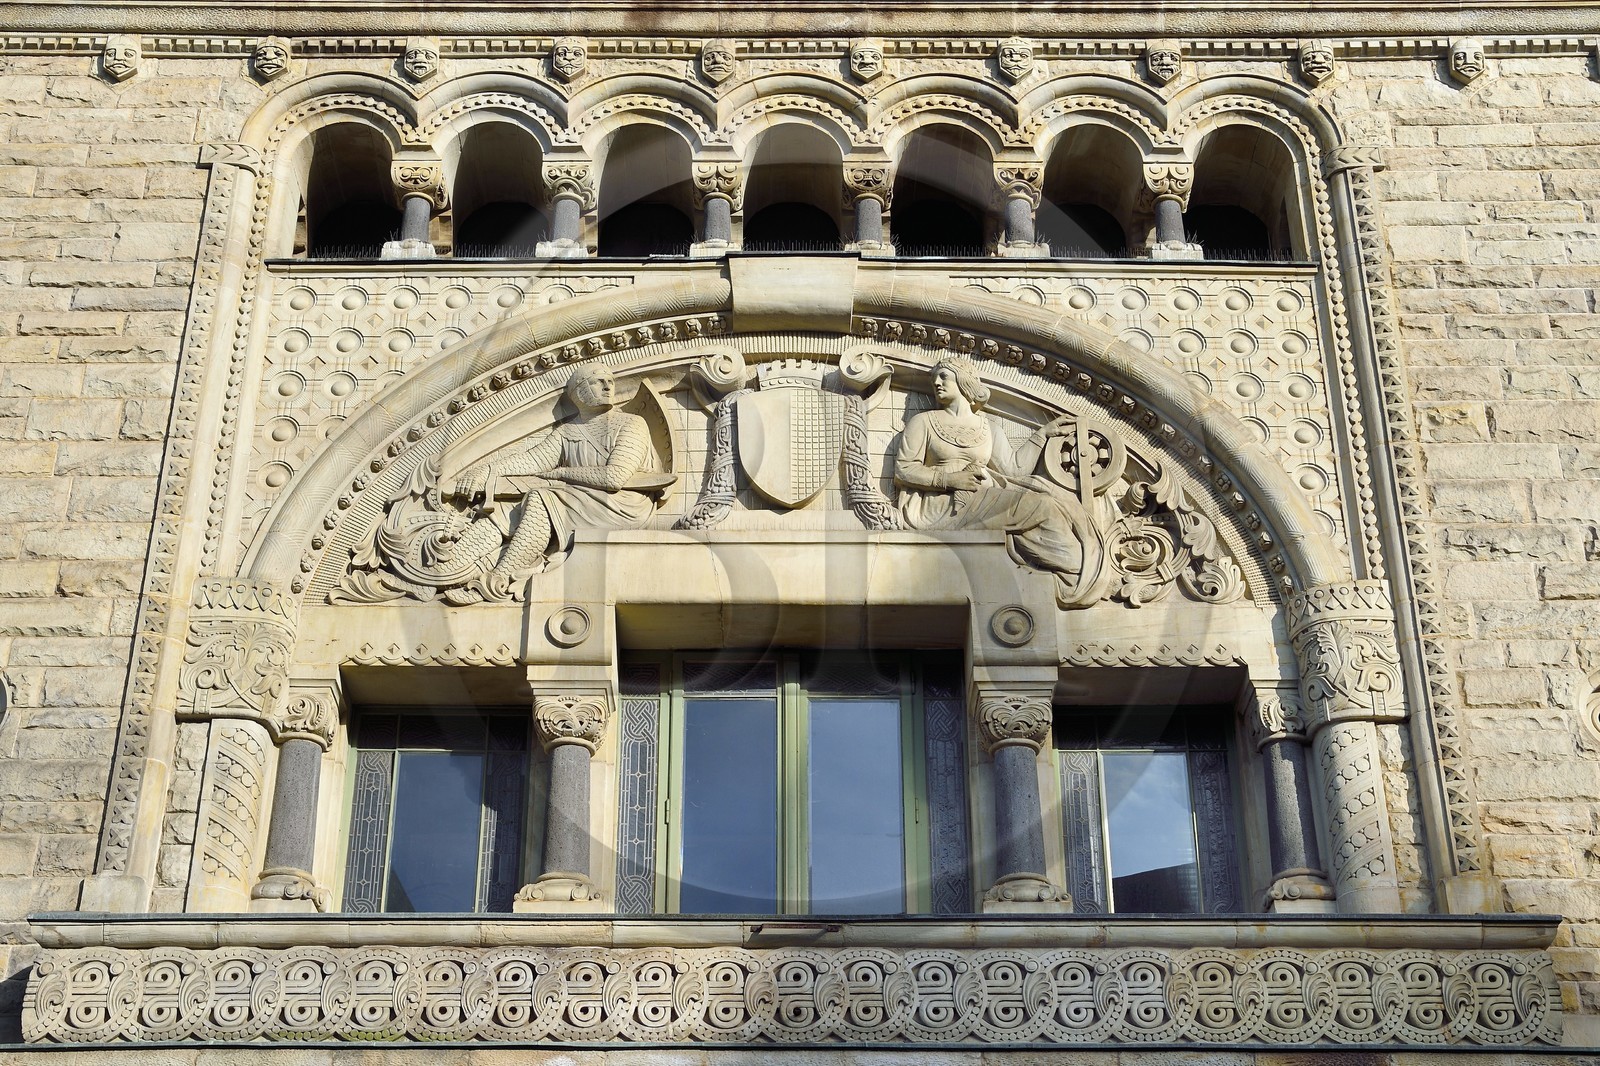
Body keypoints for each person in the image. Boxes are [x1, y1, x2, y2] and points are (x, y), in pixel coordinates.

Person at [894, 358, 1103, 606]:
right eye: (933, 379)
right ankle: (1073, 574)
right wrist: (950, 479)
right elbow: (903, 470)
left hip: (981, 497)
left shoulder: (988, 427)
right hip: (939, 505)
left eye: (943, 376)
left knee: (1047, 504)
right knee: (1041, 506)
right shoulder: (924, 422)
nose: (936, 383)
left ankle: (1072, 573)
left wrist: (1042, 435)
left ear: (963, 380)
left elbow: (1013, 469)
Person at [450, 364, 661, 600]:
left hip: (622, 504)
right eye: (598, 381)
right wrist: (486, 472)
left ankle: (498, 580)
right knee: (506, 507)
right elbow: (532, 460)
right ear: (578, 393)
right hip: (582, 498)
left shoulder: (631, 423)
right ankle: (453, 564)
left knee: (541, 499)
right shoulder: (567, 431)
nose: (608, 387)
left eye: (610, 381)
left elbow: (614, 478)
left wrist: (560, 474)